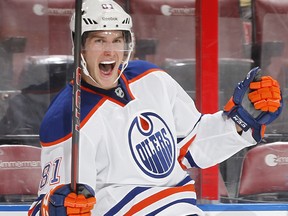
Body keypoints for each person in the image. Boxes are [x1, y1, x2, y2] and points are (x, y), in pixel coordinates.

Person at [28, 0, 282, 215]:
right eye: (98, 41)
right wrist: (59, 206)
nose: (110, 51)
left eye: (117, 40)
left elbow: (191, 145)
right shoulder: (66, 117)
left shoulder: (151, 78)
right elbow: (49, 204)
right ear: (79, 47)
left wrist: (243, 120)